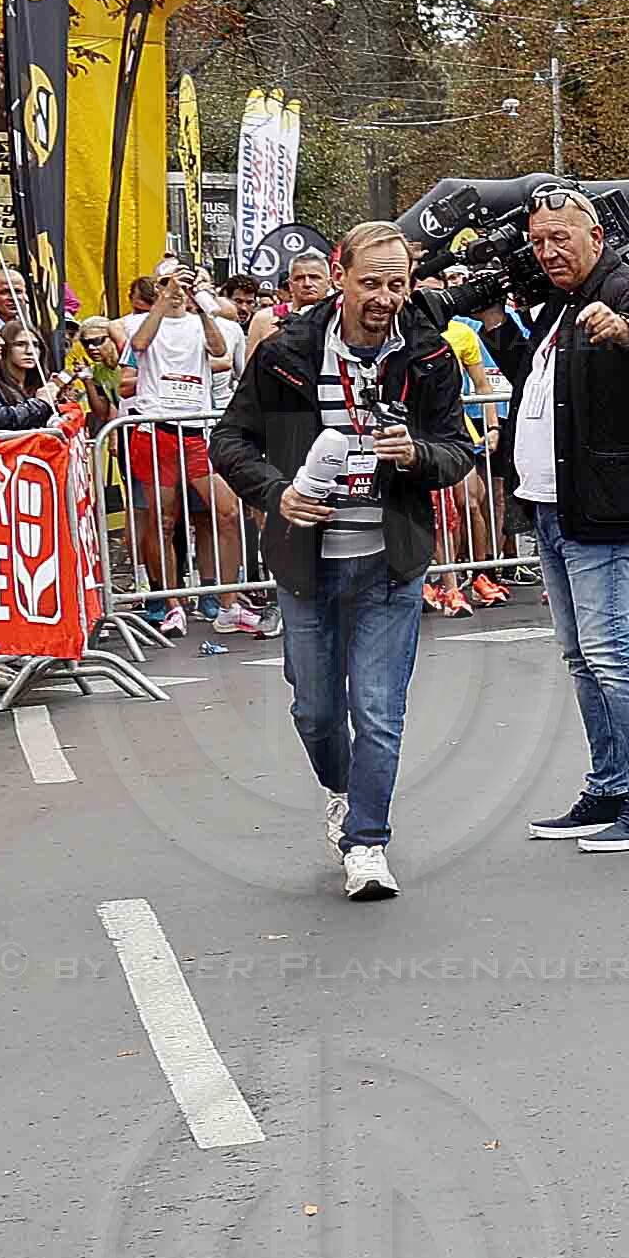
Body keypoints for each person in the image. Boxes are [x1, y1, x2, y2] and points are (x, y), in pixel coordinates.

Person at [214, 223, 475, 901]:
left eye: (397, 284)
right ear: (340, 277)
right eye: (371, 283)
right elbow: (231, 440)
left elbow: (458, 448)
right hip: (308, 565)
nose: (384, 297)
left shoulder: (428, 355)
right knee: (317, 711)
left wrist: (418, 455)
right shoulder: (286, 352)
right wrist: (278, 493)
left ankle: (367, 843)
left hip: (390, 563)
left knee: (379, 712)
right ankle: (341, 790)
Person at [477, 183, 629, 855]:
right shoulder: (560, 303)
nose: (547, 252)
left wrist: (625, 331)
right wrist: (495, 322)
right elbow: (534, 379)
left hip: (602, 505)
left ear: (595, 237)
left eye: (559, 239)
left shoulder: (628, 289)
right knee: (583, 658)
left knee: (610, 653)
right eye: (538, 242)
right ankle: (611, 786)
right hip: (554, 503)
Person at [118, 261, 261, 641]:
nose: (176, 288)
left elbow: (219, 350)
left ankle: (228, 603)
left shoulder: (200, 321)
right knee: (163, 521)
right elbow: (138, 345)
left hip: (196, 431)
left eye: (182, 281)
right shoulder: (141, 322)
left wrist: (202, 303)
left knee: (227, 512)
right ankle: (171, 605)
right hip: (155, 430)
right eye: (167, 281)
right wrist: (164, 298)